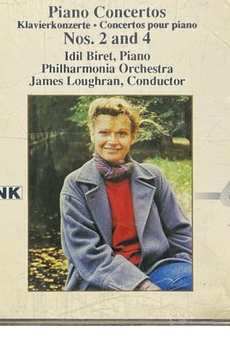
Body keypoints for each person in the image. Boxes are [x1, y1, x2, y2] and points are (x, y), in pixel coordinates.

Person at [60, 97, 192, 291]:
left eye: (121, 133)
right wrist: (141, 285)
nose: (112, 141)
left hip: (154, 269)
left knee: (190, 279)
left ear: (133, 137)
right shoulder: (75, 184)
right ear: (92, 134)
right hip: (101, 279)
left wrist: (182, 263)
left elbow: (180, 230)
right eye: (104, 132)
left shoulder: (153, 176)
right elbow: (87, 253)